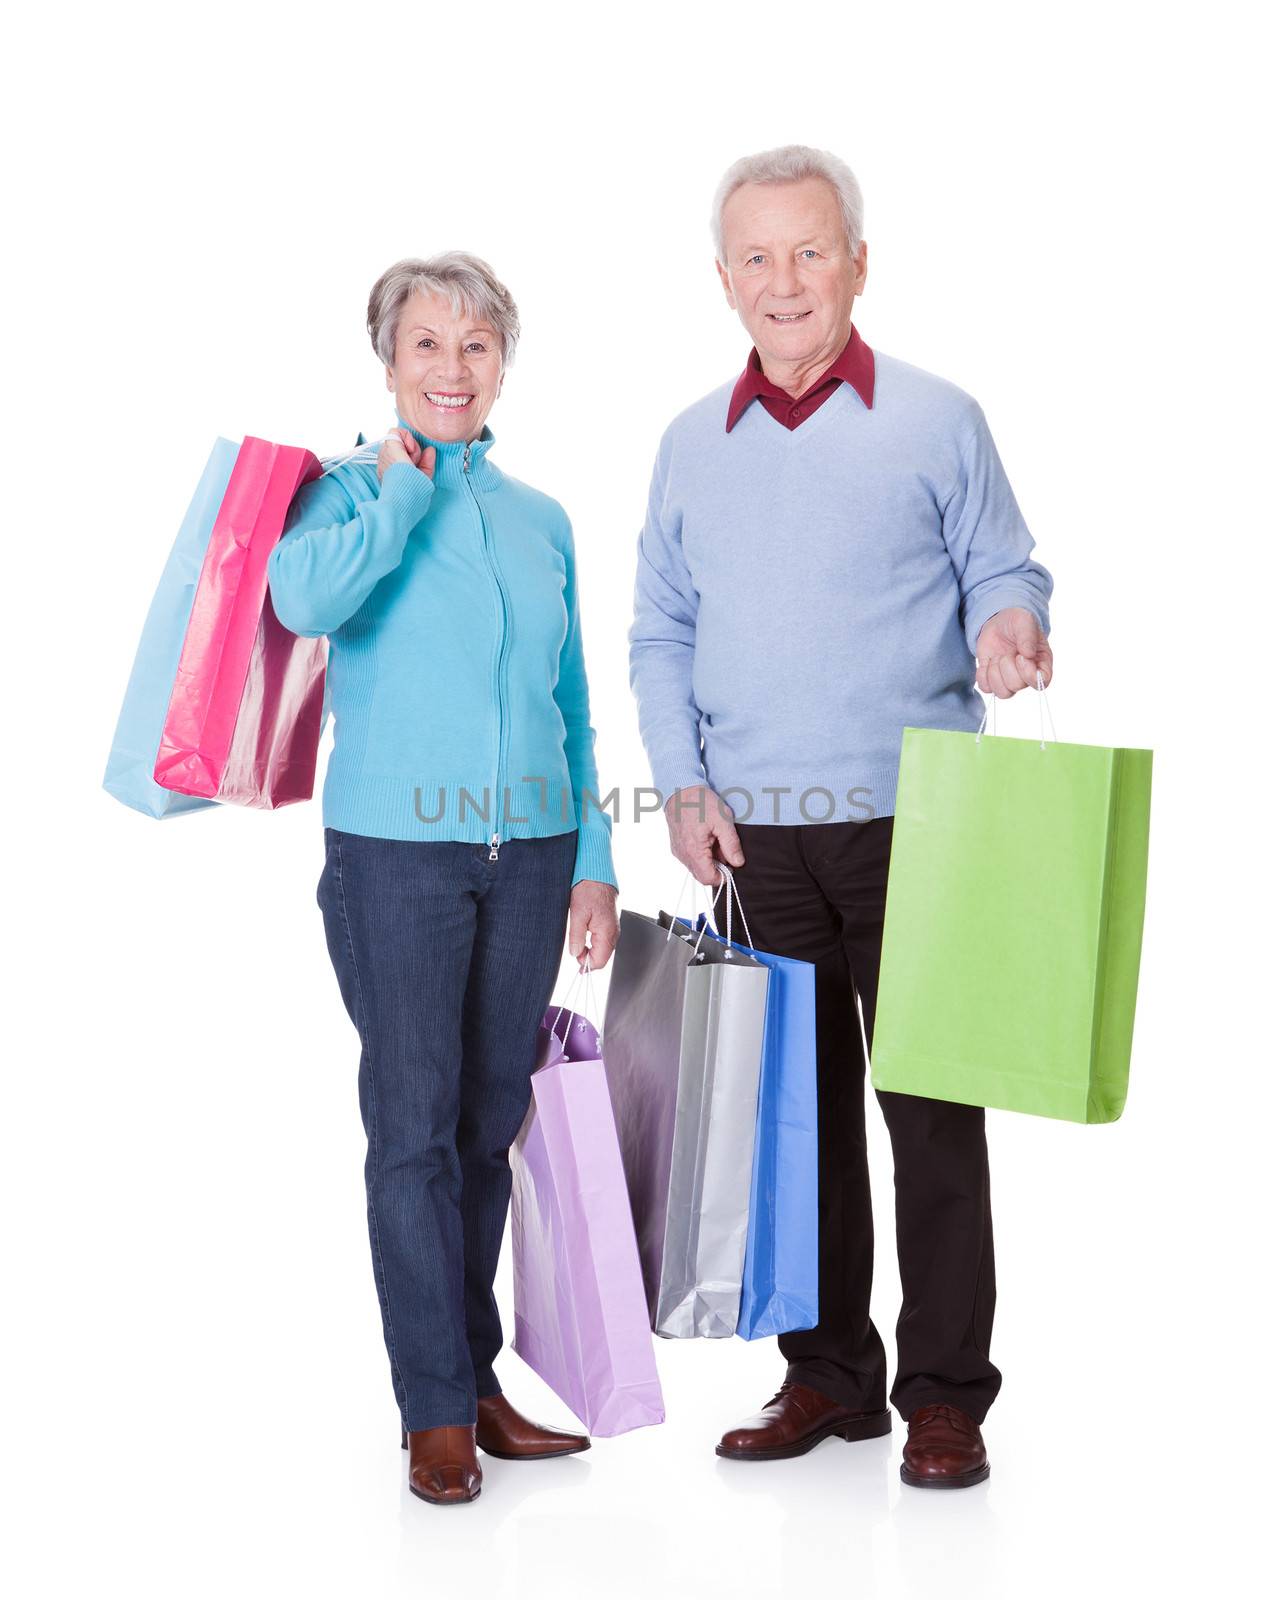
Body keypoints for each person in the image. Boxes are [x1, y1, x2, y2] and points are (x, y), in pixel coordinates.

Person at [628, 146, 1055, 1489]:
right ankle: (827, 1378)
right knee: (791, 1127)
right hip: (755, 836)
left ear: (856, 263)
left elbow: (1005, 562)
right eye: (754, 257)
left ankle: (943, 1397)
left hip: (922, 819)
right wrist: (681, 786)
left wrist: (1009, 623)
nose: (784, 280)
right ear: (722, 282)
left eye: (808, 251)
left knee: (929, 1117)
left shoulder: (938, 418)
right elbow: (659, 632)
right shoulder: (689, 444)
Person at [268, 252, 620, 1506]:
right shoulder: (345, 497)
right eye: (427, 345)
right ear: (389, 362)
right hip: (395, 857)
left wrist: (592, 855)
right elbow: (301, 598)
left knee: (488, 1128)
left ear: (502, 362)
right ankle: (431, 1408)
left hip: (526, 855)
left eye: (475, 346)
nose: (452, 369)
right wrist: (402, 499)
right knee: (411, 1132)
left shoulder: (541, 519)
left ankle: (474, 1384)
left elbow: (569, 703)